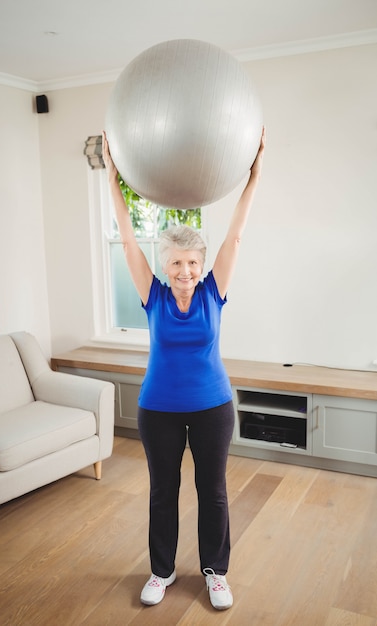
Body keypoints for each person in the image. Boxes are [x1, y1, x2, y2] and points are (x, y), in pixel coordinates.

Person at [102, 128, 265, 610]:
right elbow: (128, 237)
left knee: (212, 492)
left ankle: (216, 572)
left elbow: (235, 233)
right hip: (158, 409)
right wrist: (111, 177)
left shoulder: (214, 291)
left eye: (193, 262)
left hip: (214, 406)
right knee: (162, 492)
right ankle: (162, 570)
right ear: (165, 263)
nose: (186, 271)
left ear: (201, 263)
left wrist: (254, 176)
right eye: (176, 263)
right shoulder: (152, 294)